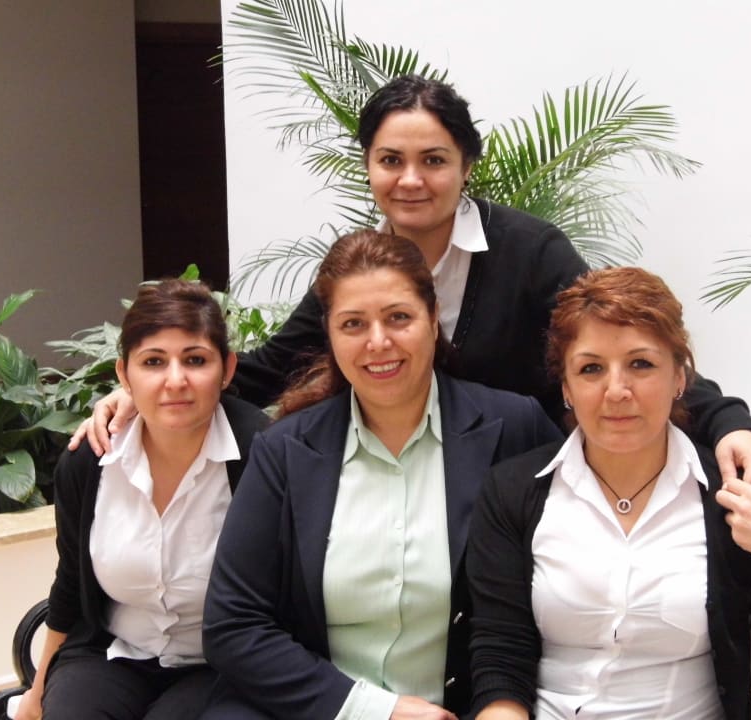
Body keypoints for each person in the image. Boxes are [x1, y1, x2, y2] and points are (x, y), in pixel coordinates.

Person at [73, 74, 751, 495]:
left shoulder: (528, 250)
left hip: (529, 477)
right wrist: (143, 391)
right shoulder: (359, 272)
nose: (410, 180)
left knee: (737, 480)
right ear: (368, 166)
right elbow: (268, 368)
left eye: (434, 160)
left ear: (467, 164)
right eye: (390, 160)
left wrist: (732, 423)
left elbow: (624, 344)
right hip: (405, 482)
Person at [199, 230, 564, 719]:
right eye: (353, 324)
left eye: (398, 318)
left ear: (433, 318)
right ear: (329, 334)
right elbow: (232, 624)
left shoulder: (514, 429)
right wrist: (373, 710)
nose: (378, 342)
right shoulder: (284, 450)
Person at [465, 267, 751, 720]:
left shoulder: (731, 489)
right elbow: (501, 655)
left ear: (680, 378)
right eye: (591, 368)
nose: (617, 391)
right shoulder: (513, 490)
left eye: (641, 364)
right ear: (566, 388)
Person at [14, 280, 269, 720]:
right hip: (112, 652)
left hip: (222, 664)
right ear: (124, 375)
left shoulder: (262, 454)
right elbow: (70, 585)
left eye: (195, 360)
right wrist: (36, 696)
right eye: (153, 362)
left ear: (227, 369)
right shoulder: (88, 461)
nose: (175, 380)